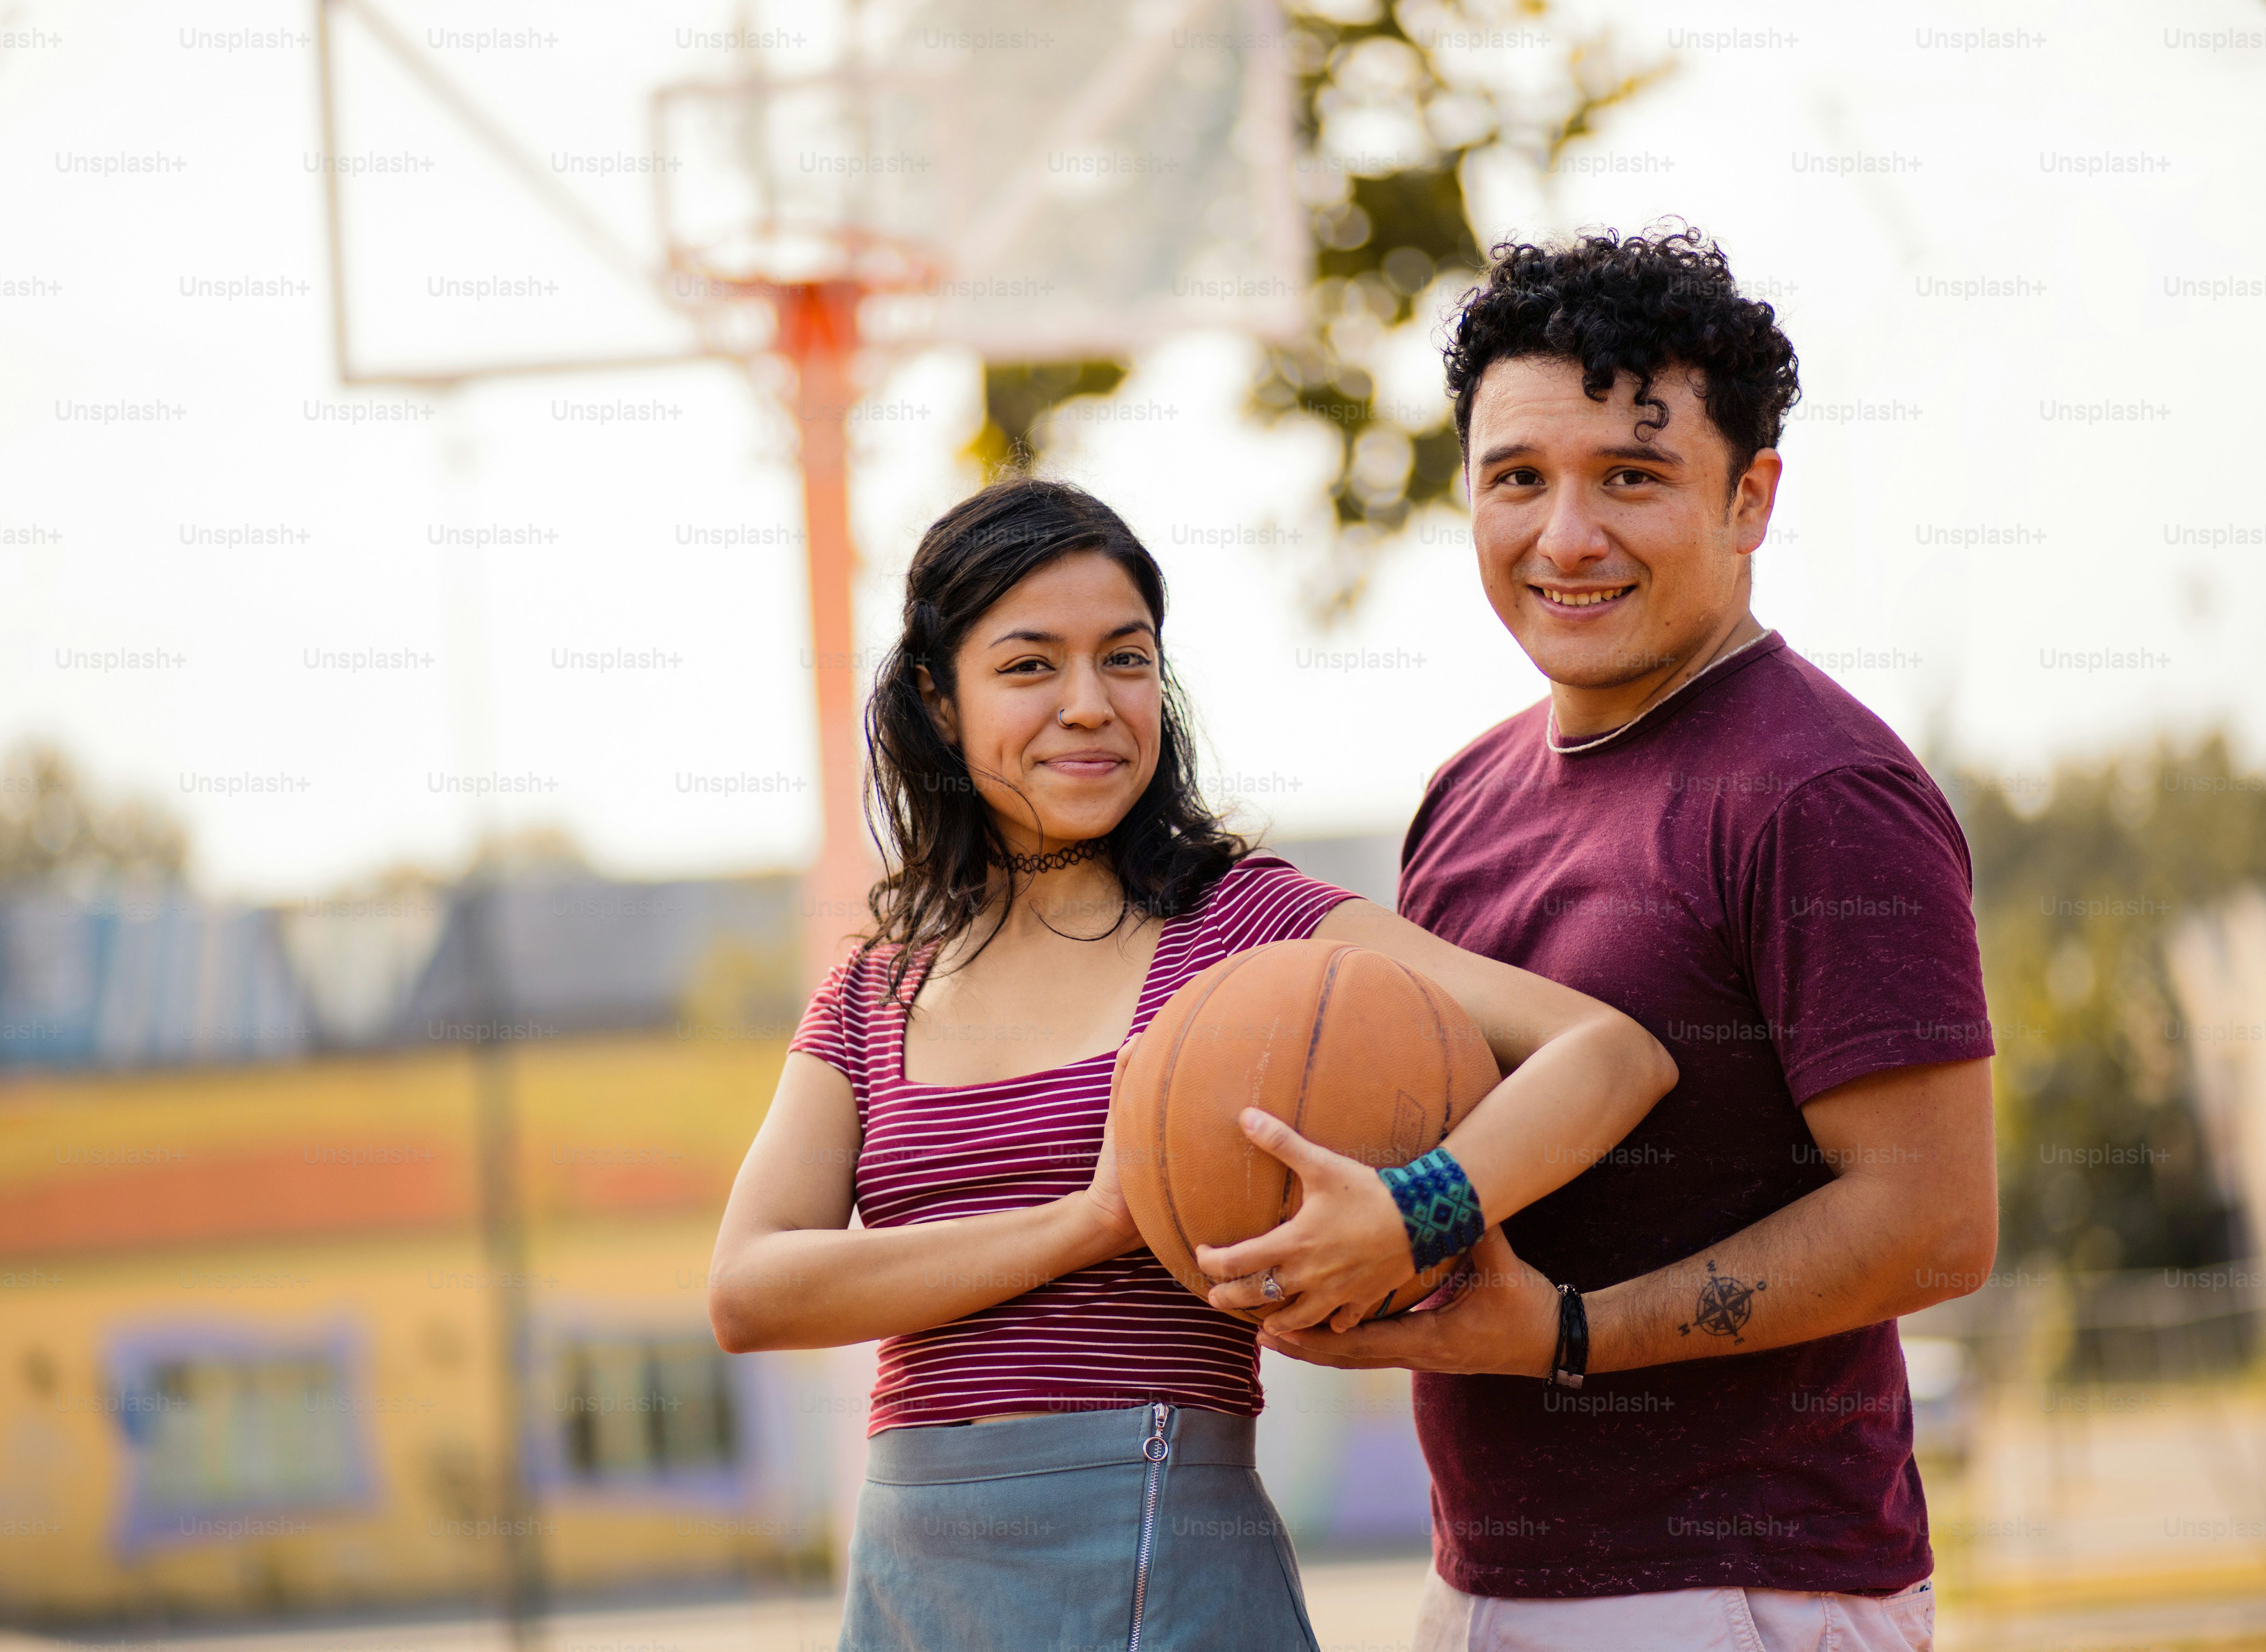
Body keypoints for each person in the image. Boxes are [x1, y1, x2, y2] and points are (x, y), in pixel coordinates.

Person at [707, 477, 1679, 1652]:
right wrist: (1091, 1220)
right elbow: (751, 1289)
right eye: (1028, 666)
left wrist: (1410, 1213)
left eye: (1124, 661)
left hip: (1159, 1541)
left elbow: (1610, 1054)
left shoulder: (1246, 930)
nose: (1088, 706)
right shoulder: (875, 987)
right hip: (914, 1576)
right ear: (936, 701)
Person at [1213, 229, 1997, 1652]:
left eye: (1629, 478)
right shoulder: (1465, 794)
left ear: (1749, 499)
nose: (1562, 536)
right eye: (1517, 478)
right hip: (1486, 1582)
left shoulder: (1821, 792)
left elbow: (1930, 1220)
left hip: (1736, 1588)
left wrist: (1571, 1334)